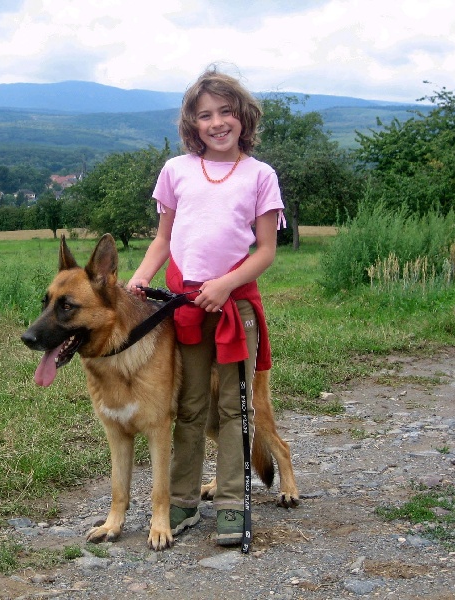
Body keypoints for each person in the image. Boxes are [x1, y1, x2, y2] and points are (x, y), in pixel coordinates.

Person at [127, 65, 285, 546]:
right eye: (205, 115)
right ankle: (182, 502)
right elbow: (164, 238)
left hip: (233, 307)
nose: (217, 122)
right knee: (189, 405)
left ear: (244, 116)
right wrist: (139, 277)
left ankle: (234, 504)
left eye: (226, 112)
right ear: (191, 124)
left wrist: (224, 285)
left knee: (234, 408)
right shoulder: (175, 171)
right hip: (184, 307)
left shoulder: (260, 175)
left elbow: (265, 251)